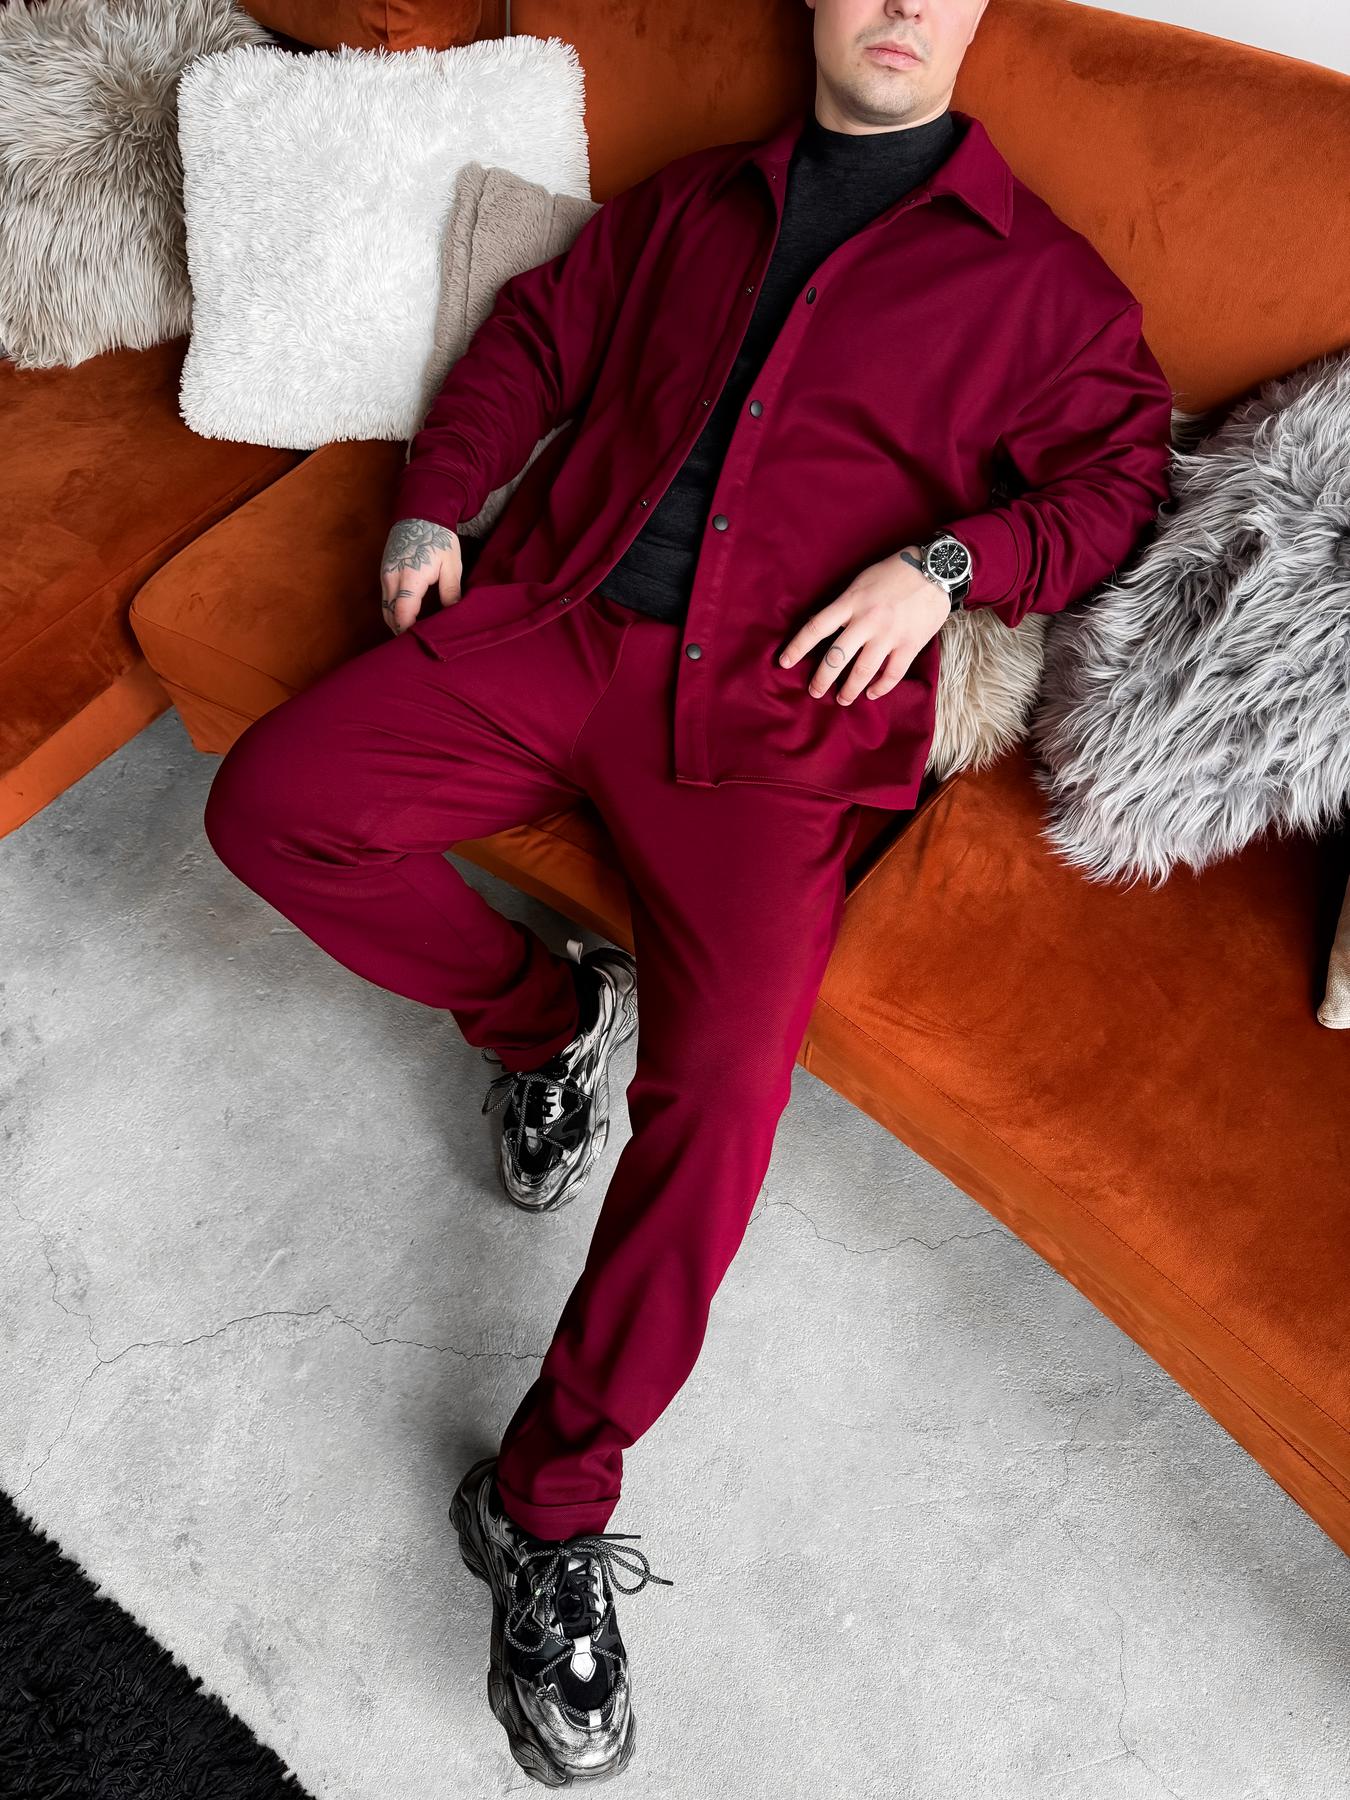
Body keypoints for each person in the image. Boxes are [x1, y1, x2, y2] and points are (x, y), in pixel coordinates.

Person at [202, 0, 1174, 1782]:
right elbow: (535, 338)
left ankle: (550, 1503)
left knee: (721, 1098)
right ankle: (540, 1015)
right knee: (272, 806)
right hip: (555, 622)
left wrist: (949, 564)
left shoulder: (1039, 285)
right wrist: (434, 504)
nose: (901, 8)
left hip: (772, 725)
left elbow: (1118, 485)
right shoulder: (692, 202)